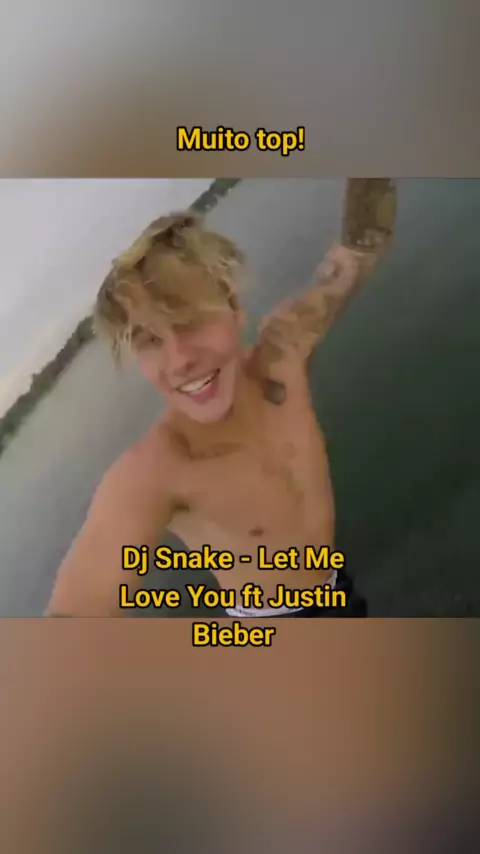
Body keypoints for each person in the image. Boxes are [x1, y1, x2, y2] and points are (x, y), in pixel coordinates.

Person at [46, 184, 395, 617]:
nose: (180, 360)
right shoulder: (160, 469)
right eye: (149, 340)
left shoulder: (285, 353)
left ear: (232, 305)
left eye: (189, 320)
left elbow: (361, 247)